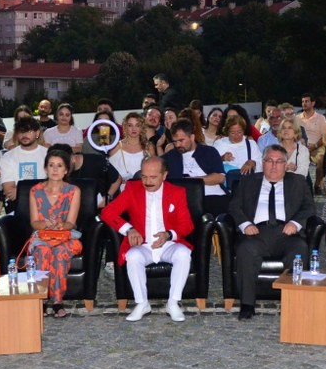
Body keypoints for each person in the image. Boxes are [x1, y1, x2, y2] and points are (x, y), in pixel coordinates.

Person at [100, 156, 194, 322]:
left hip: (169, 244)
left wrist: (168, 234)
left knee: (183, 254)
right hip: (143, 244)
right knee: (133, 256)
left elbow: (187, 225)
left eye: (153, 177)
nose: (147, 181)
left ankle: (173, 303)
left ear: (164, 175)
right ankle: (142, 303)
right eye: (144, 176)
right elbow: (107, 212)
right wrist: (128, 229)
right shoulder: (131, 189)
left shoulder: (177, 192)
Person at [228, 144, 316, 320]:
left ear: (285, 164)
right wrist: (245, 224)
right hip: (257, 233)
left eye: (279, 162)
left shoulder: (298, 182)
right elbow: (234, 206)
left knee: (299, 250)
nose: (274, 166)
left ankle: (294, 303)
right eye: (269, 161)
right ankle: (247, 304)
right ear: (262, 163)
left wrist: (296, 223)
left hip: (287, 233)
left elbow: (309, 207)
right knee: (245, 250)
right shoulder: (248, 181)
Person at [27, 148, 82, 319]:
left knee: (59, 252)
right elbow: (34, 223)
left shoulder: (73, 191)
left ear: (66, 170)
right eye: (51, 165)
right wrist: (45, 224)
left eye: (59, 166)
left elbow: (71, 223)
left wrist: (60, 225)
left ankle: (58, 301)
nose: (55, 169)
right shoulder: (35, 191)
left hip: (65, 236)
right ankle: (41, 300)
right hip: (42, 236)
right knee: (42, 251)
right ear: (45, 169)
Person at [162, 119, 228, 215]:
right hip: (184, 201)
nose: (177, 145)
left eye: (181, 140)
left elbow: (219, 177)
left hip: (213, 197)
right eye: (175, 141)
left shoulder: (209, 152)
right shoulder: (170, 157)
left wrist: (191, 181)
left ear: (192, 137)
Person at [0, 116, 47, 204]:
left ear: (37, 133)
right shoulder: (7, 157)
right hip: (18, 204)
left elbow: (54, 187)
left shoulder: (48, 155)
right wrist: (40, 189)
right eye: (21, 132)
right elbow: (9, 192)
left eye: (28, 131)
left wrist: (20, 191)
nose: (24, 135)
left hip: (45, 203)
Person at [275, 118, 312, 182]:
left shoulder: (303, 150)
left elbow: (303, 174)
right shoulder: (273, 150)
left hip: (295, 187)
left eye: (290, 128)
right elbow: (268, 171)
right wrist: (285, 168)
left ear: (296, 133)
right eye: (283, 128)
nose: (286, 130)